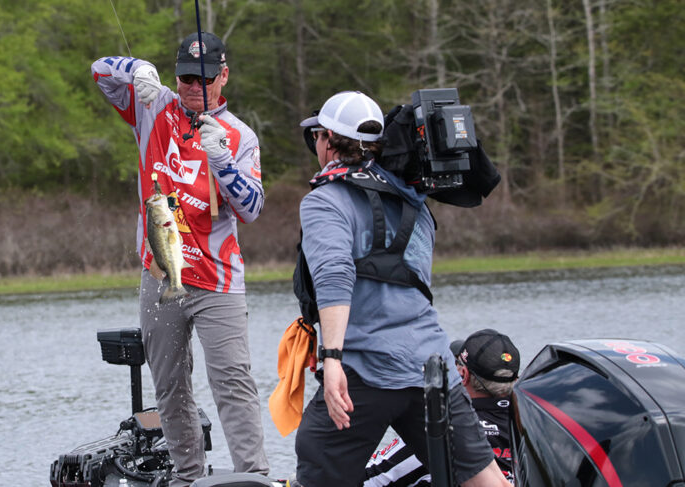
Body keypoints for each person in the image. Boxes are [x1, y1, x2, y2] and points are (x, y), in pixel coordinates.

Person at [291, 90, 511, 487]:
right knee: (485, 480)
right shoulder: (414, 198)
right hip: (432, 365)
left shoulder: (324, 201)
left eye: (316, 138)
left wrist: (333, 359)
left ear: (325, 140)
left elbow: (334, 275)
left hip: (365, 369)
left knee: (318, 454)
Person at [90, 32, 268, 486]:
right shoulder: (153, 108)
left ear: (223, 76)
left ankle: (254, 476)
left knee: (232, 381)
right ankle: (188, 477)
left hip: (218, 279)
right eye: (186, 77)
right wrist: (138, 72)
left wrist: (223, 162)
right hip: (160, 272)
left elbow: (252, 209)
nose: (194, 87)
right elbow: (99, 72)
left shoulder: (240, 136)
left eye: (205, 78)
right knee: (169, 386)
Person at [364, 329, 521, 486]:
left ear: (463, 375)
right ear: (517, 379)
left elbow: (372, 478)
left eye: (456, 364)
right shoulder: (532, 426)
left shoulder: (446, 427)